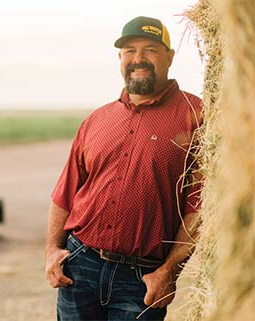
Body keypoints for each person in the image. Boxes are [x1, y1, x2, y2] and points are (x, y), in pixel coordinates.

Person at [45, 16, 203, 321]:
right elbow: (65, 193)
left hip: (143, 278)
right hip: (81, 265)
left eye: (150, 50)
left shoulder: (195, 116)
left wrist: (170, 271)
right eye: (129, 50)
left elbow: (200, 207)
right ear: (120, 58)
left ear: (170, 56)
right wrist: (52, 250)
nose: (138, 59)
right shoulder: (97, 120)